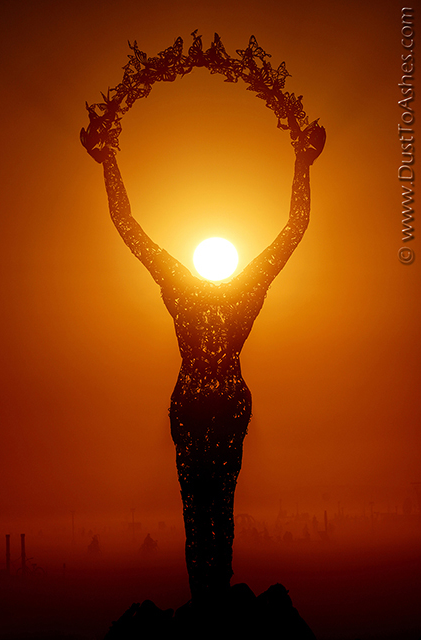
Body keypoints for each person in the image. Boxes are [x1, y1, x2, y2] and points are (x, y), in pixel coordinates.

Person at [82, 116, 325, 601]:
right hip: (225, 405)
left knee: (195, 508)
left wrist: (108, 159)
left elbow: (127, 225)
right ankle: (215, 595)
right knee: (220, 505)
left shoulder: (181, 289)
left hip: (195, 410)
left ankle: (205, 598)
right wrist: (303, 162)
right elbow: (295, 227)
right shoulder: (245, 292)